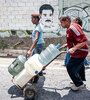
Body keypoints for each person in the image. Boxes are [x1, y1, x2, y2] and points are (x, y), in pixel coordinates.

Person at [60, 15, 89, 91]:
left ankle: (79, 84)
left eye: (62, 22)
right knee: (79, 65)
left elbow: (84, 40)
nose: (61, 24)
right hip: (80, 51)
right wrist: (67, 44)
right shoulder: (70, 28)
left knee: (70, 66)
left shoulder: (73, 28)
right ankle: (80, 79)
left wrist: (73, 48)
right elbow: (75, 39)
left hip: (80, 51)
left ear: (67, 20)